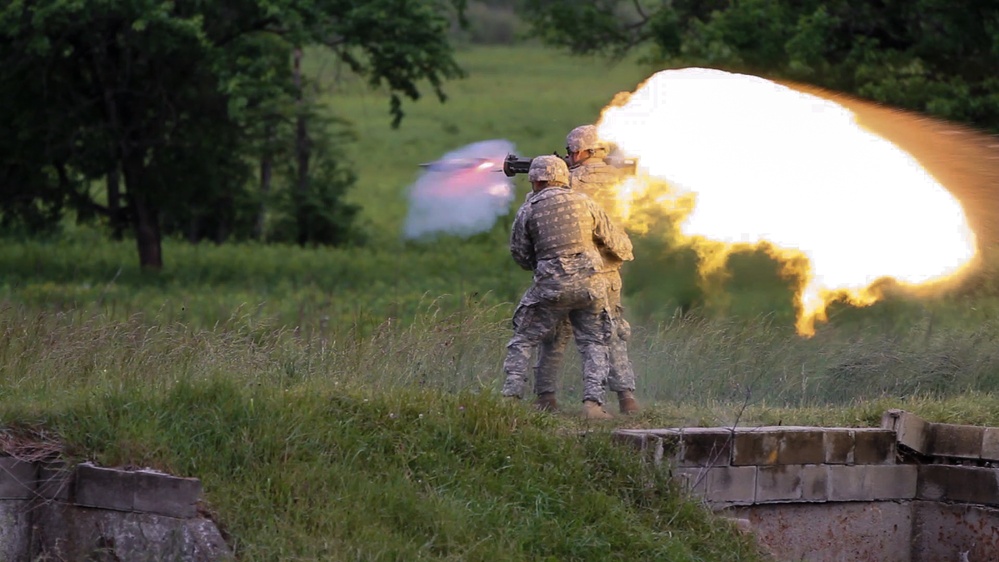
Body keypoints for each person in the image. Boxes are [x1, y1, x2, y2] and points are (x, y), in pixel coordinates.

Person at [500, 155, 634, 420]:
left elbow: (519, 253)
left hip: (551, 288)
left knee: (524, 338)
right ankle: (593, 405)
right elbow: (615, 241)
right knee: (594, 341)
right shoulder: (586, 202)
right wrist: (617, 257)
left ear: (535, 181)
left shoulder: (529, 209)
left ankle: (511, 398)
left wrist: (542, 264)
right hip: (591, 285)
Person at [532, 125, 641, 415]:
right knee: (612, 331)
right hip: (609, 268)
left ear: (581, 151)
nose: (568, 156)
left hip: (572, 268)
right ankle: (626, 398)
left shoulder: (570, 183)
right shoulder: (623, 179)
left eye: (570, 152)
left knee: (556, 333)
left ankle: (546, 397)